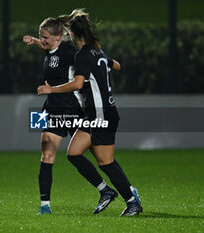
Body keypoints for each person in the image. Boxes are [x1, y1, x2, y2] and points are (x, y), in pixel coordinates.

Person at [38, 9, 143, 216]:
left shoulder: (83, 56)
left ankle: (132, 201)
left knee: (106, 162)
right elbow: (117, 66)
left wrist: (52, 89)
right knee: (74, 153)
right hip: (95, 114)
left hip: (103, 115)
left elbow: (77, 84)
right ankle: (107, 191)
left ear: (74, 36)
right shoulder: (98, 52)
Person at [23, 13, 118, 215]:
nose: (42, 40)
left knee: (99, 155)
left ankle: (120, 190)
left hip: (74, 109)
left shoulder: (70, 52)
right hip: (51, 109)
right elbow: (47, 48)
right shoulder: (50, 49)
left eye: (45, 37)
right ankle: (45, 206)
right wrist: (35, 42)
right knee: (47, 155)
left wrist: (107, 62)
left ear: (58, 37)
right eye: (40, 36)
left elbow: (91, 59)